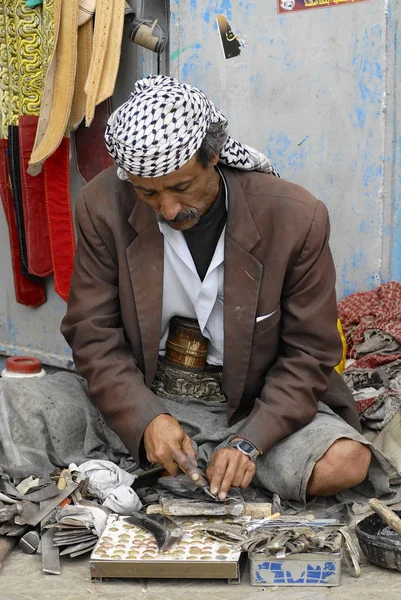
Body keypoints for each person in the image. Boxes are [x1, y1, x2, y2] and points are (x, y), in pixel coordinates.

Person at [61, 75, 379, 505]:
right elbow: (92, 334)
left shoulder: (295, 218)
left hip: (252, 408)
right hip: (144, 395)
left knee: (346, 461)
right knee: (15, 408)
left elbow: (309, 354)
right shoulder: (102, 206)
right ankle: (172, 458)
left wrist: (251, 441)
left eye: (181, 187)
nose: (169, 209)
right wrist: (146, 418)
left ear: (214, 158)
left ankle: (188, 467)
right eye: (148, 194)